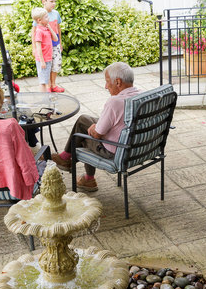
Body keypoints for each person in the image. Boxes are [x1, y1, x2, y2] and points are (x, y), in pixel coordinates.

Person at [53, 62, 141, 192]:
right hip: (137, 146)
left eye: (107, 82)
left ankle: (85, 175)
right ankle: (66, 158)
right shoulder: (141, 95)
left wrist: (95, 129)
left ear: (118, 82)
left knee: (82, 137)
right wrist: (95, 126)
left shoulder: (115, 102)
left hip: (116, 151)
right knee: (84, 120)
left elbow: (97, 135)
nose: (106, 87)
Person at [41, 0, 65, 93]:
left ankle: (54, 85)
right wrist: (35, 48)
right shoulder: (40, 14)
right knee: (48, 65)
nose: (54, 4)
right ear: (44, 2)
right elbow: (34, 31)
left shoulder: (56, 14)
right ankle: (48, 86)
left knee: (56, 64)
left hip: (56, 44)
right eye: (51, 1)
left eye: (55, 1)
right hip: (46, 46)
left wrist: (60, 42)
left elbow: (58, 28)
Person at [32, 7, 54, 93]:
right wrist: (42, 61)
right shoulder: (39, 31)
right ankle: (43, 97)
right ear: (39, 20)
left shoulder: (46, 29)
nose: (48, 18)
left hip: (48, 58)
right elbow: (38, 47)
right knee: (42, 82)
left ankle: (45, 96)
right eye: (46, 17)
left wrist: (50, 28)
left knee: (45, 79)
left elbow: (55, 39)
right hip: (43, 60)